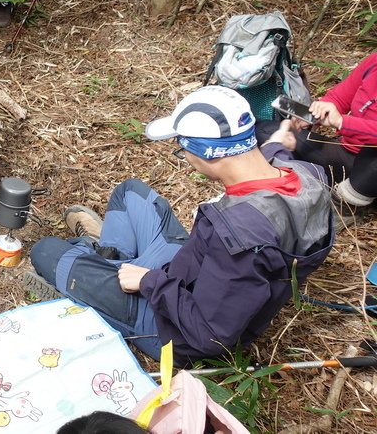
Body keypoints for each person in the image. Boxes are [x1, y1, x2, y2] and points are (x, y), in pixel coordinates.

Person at [27, 86, 333, 364]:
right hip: (190, 269)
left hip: (173, 327)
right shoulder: (307, 176)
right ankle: (109, 266)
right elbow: (270, 160)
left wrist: (148, 282)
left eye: (182, 149)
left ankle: (101, 282)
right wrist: (278, 143)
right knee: (130, 191)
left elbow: (210, 334)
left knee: (46, 251)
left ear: (202, 152)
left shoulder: (240, 237)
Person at [259, 52, 376, 225]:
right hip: (348, 154)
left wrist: (342, 122)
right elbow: (339, 97)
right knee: (265, 131)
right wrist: (317, 112)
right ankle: (300, 180)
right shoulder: (374, 61)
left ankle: (345, 206)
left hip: (371, 166)